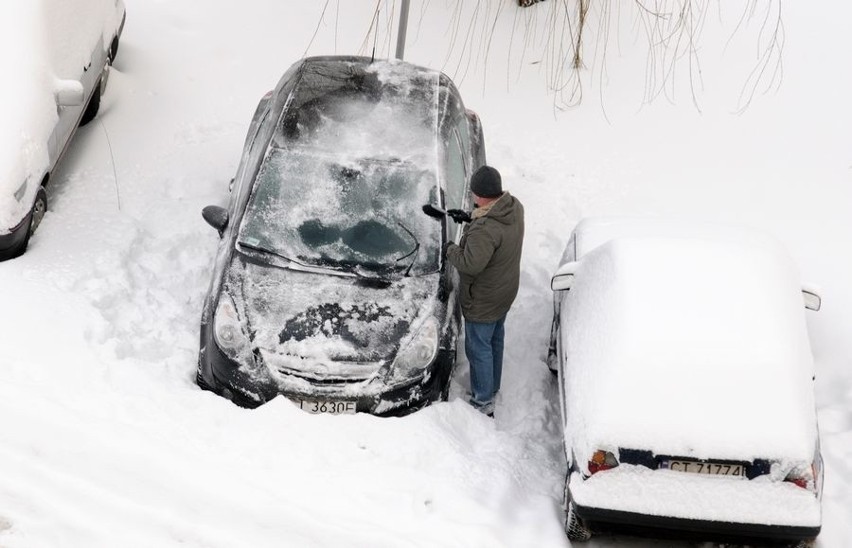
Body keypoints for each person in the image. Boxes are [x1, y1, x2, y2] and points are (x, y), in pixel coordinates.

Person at [443, 165, 524, 417]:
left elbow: (470, 264)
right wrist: (471, 217)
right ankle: (492, 386)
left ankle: (482, 402)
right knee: (494, 340)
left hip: (484, 299)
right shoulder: (513, 207)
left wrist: (449, 248)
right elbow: (492, 231)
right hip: (504, 291)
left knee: (479, 349)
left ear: (479, 194)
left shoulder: (485, 229)